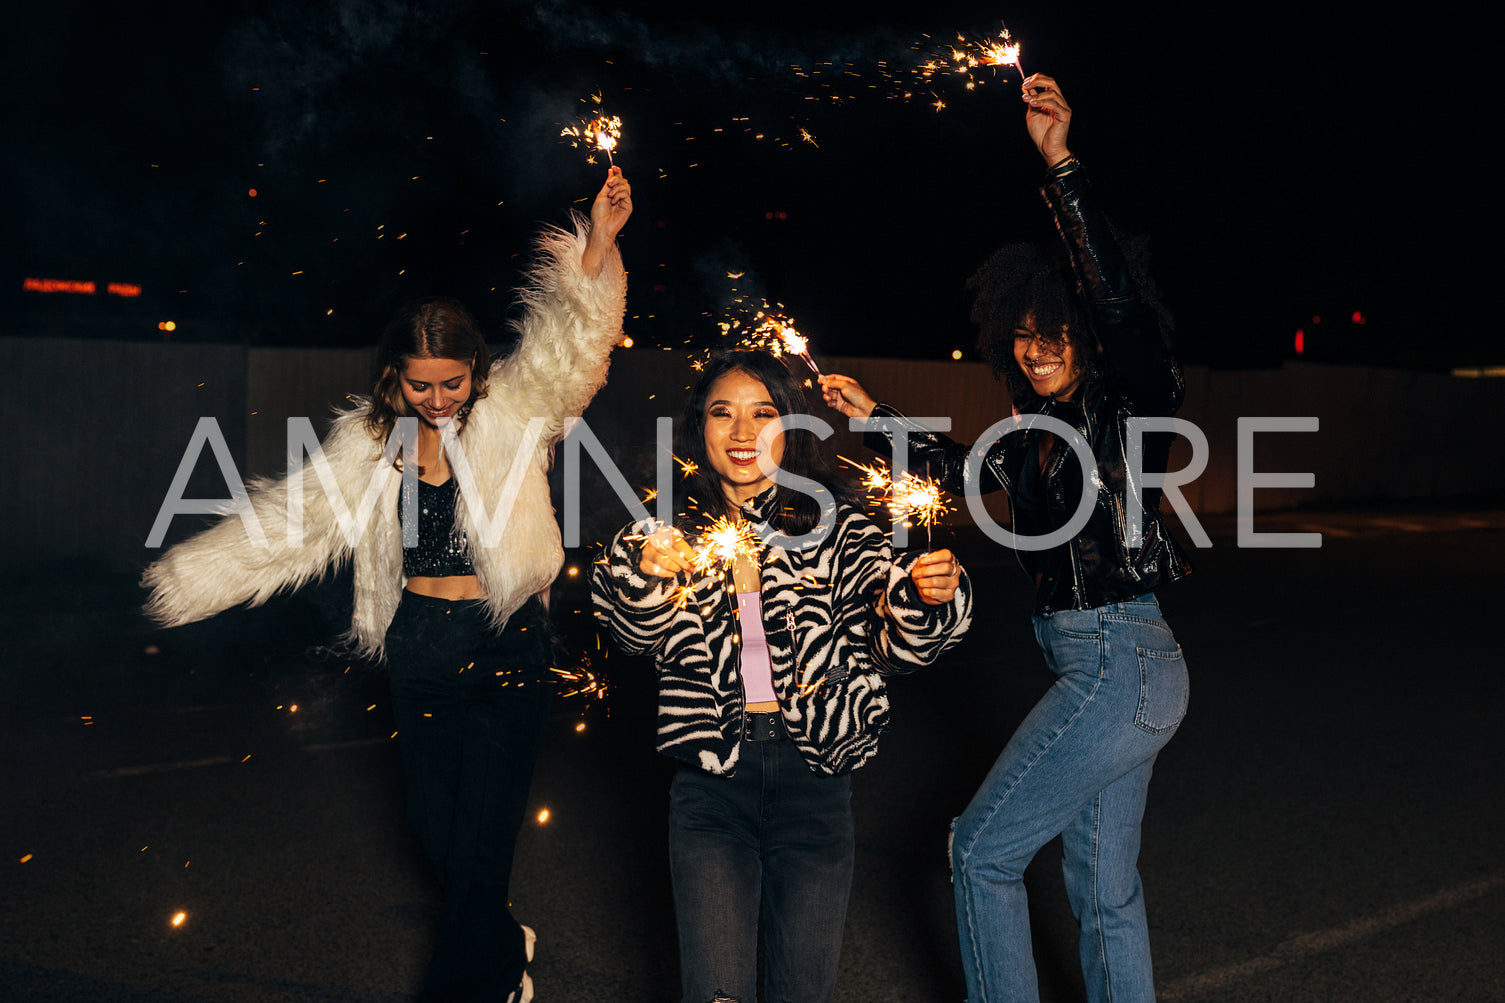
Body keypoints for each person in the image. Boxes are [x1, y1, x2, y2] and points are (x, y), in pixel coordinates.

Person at [143, 167, 633, 1002]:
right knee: (434, 833)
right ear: (392, 379)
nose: (440, 400)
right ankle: (499, 938)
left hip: (506, 641)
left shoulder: (518, 411)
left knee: (482, 842)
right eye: (421, 385)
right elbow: (294, 522)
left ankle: (469, 980)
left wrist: (596, 248)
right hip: (420, 649)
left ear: (478, 371)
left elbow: (571, 349)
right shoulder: (369, 446)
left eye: (454, 382)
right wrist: (190, 580)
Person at [821, 74, 1191, 1003]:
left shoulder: (1127, 403)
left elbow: (1116, 308)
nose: (1036, 349)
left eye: (1054, 333)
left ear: (1083, 337)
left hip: (1120, 658)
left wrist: (1060, 164)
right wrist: (876, 415)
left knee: (978, 851)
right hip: (1118, 667)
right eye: (1022, 336)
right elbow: (959, 470)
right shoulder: (1033, 440)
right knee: (1102, 891)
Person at [590, 350, 973, 1003]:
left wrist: (924, 597)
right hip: (710, 789)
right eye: (722, 413)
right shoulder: (665, 532)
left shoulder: (839, 528)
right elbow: (629, 632)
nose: (742, 433)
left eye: (761, 413)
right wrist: (646, 576)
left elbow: (895, 645)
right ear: (698, 427)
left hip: (815, 784)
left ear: (789, 425)